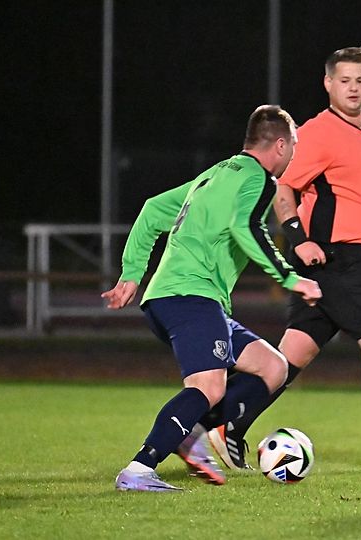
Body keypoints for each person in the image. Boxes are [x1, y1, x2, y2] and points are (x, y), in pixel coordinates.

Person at [197, 46, 361, 473]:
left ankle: (217, 424)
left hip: (338, 263)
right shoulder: (317, 132)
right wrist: (297, 239)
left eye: (360, 80)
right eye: (345, 80)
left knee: (289, 358)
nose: (353, 88)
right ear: (328, 83)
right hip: (340, 258)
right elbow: (283, 188)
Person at [104, 105, 321, 492]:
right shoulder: (259, 179)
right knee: (209, 387)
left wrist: (132, 273)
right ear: (280, 145)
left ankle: (192, 434)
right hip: (191, 296)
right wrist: (290, 278)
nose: (294, 155)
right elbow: (246, 227)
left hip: (177, 298)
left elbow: (153, 210)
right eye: (294, 146)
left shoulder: (215, 174)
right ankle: (140, 469)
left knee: (273, 367)